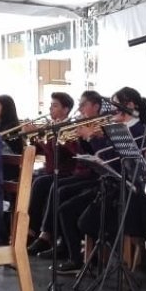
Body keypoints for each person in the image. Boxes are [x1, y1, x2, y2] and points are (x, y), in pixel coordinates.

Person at [57, 87, 146, 274]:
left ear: (130, 105)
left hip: (124, 189)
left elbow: (112, 159)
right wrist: (88, 137)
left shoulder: (138, 129)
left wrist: (92, 137)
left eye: (116, 105)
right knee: (66, 206)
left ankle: (93, 258)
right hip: (109, 184)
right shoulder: (117, 126)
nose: (112, 110)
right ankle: (78, 257)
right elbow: (98, 155)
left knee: (76, 213)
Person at [27, 91, 102, 260]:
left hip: (83, 174)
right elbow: (50, 153)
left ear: (96, 107)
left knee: (55, 187)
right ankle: (35, 232)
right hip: (76, 173)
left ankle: (48, 237)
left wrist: (85, 138)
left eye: (84, 104)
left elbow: (73, 154)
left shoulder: (97, 127)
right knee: (38, 182)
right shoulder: (77, 125)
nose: (80, 108)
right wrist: (38, 138)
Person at [25, 92, 76, 253]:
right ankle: (29, 229)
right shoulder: (54, 125)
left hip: (65, 172)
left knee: (41, 183)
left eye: (55, 106)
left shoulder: (70, 127)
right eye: (51, 105)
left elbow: (60, 152)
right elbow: (42, 150)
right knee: (30, 179)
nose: (50, 109)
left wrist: (41, 136)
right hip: (51, 171)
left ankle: (40, 234)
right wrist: (32, 137)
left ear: (66, 109)